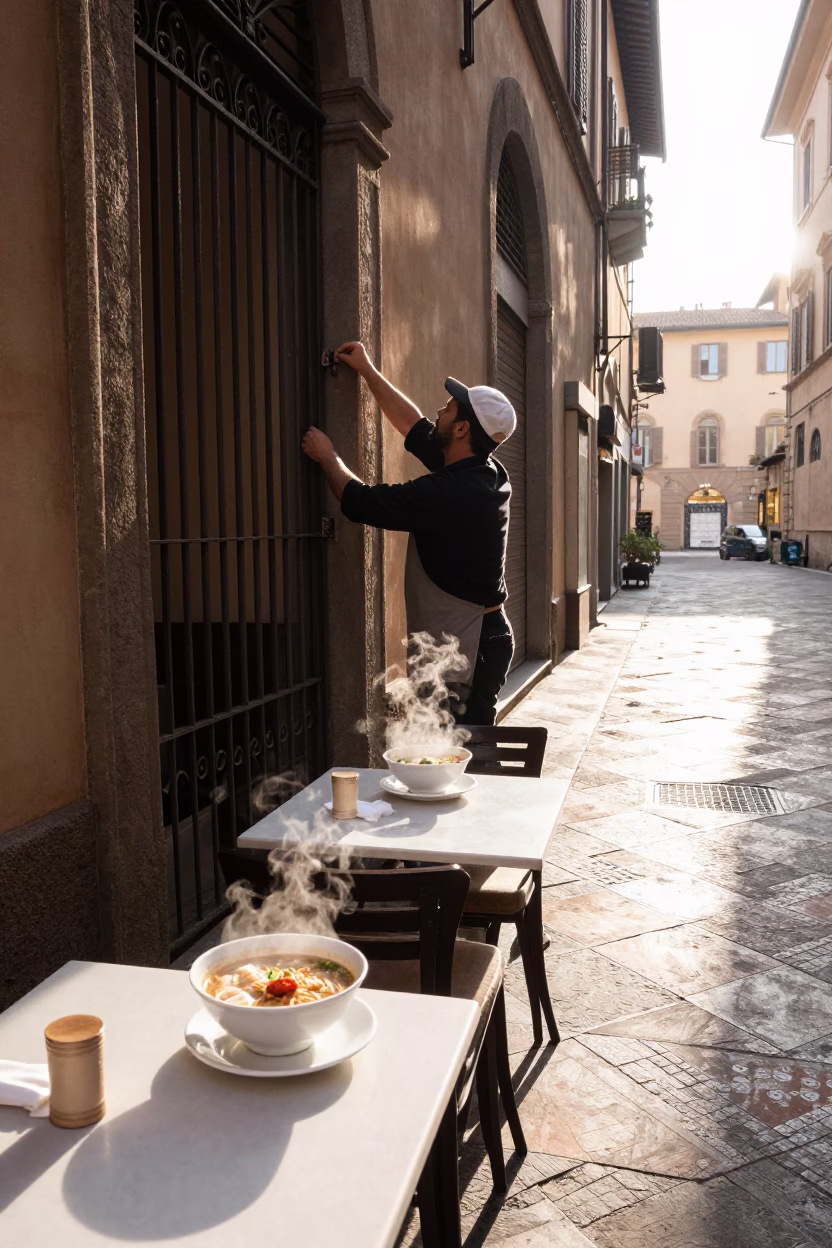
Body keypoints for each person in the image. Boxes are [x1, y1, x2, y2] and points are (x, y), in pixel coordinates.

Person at [301, 341, 517, 725]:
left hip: (469, 646)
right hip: (479, 638)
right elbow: (414, 426)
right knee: (452, 751)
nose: (440, 410)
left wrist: (327, 456)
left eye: (449, 409)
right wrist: (367, 369)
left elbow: (360, 501)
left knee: (459, 755)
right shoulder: (482, 471)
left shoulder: (452, 495)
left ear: (463, 428)